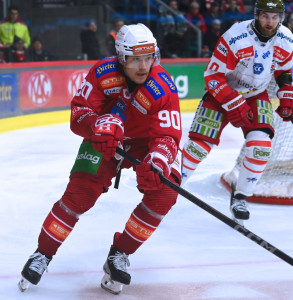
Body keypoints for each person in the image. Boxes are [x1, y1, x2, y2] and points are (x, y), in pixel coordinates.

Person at [18, 23, 182, 295]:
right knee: (78, 196)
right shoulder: (102, 73)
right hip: (104, 138)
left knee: (165, 192)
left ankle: (120, 253)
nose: (143, 66)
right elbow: (78, 114)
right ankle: (42, 255)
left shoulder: (163, 86)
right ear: (121, 57)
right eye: (135, 59)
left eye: (148, 58)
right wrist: (98, 124)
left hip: (144, 145)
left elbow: (168, 136)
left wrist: (158, 160)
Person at [181, 0, 293, 221]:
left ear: (281, 17)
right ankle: (173, 184)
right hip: (221, 93)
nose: (270, 22)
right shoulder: (235, 36)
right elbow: (212, 77)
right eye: (265, 16)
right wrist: (234, 103)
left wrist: (287, 95)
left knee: (261, 147)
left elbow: (283, 71)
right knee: (197, 147)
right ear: (256, 15)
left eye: (275, 17)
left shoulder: (286, 39)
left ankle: (240, 196)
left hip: (256, 94)